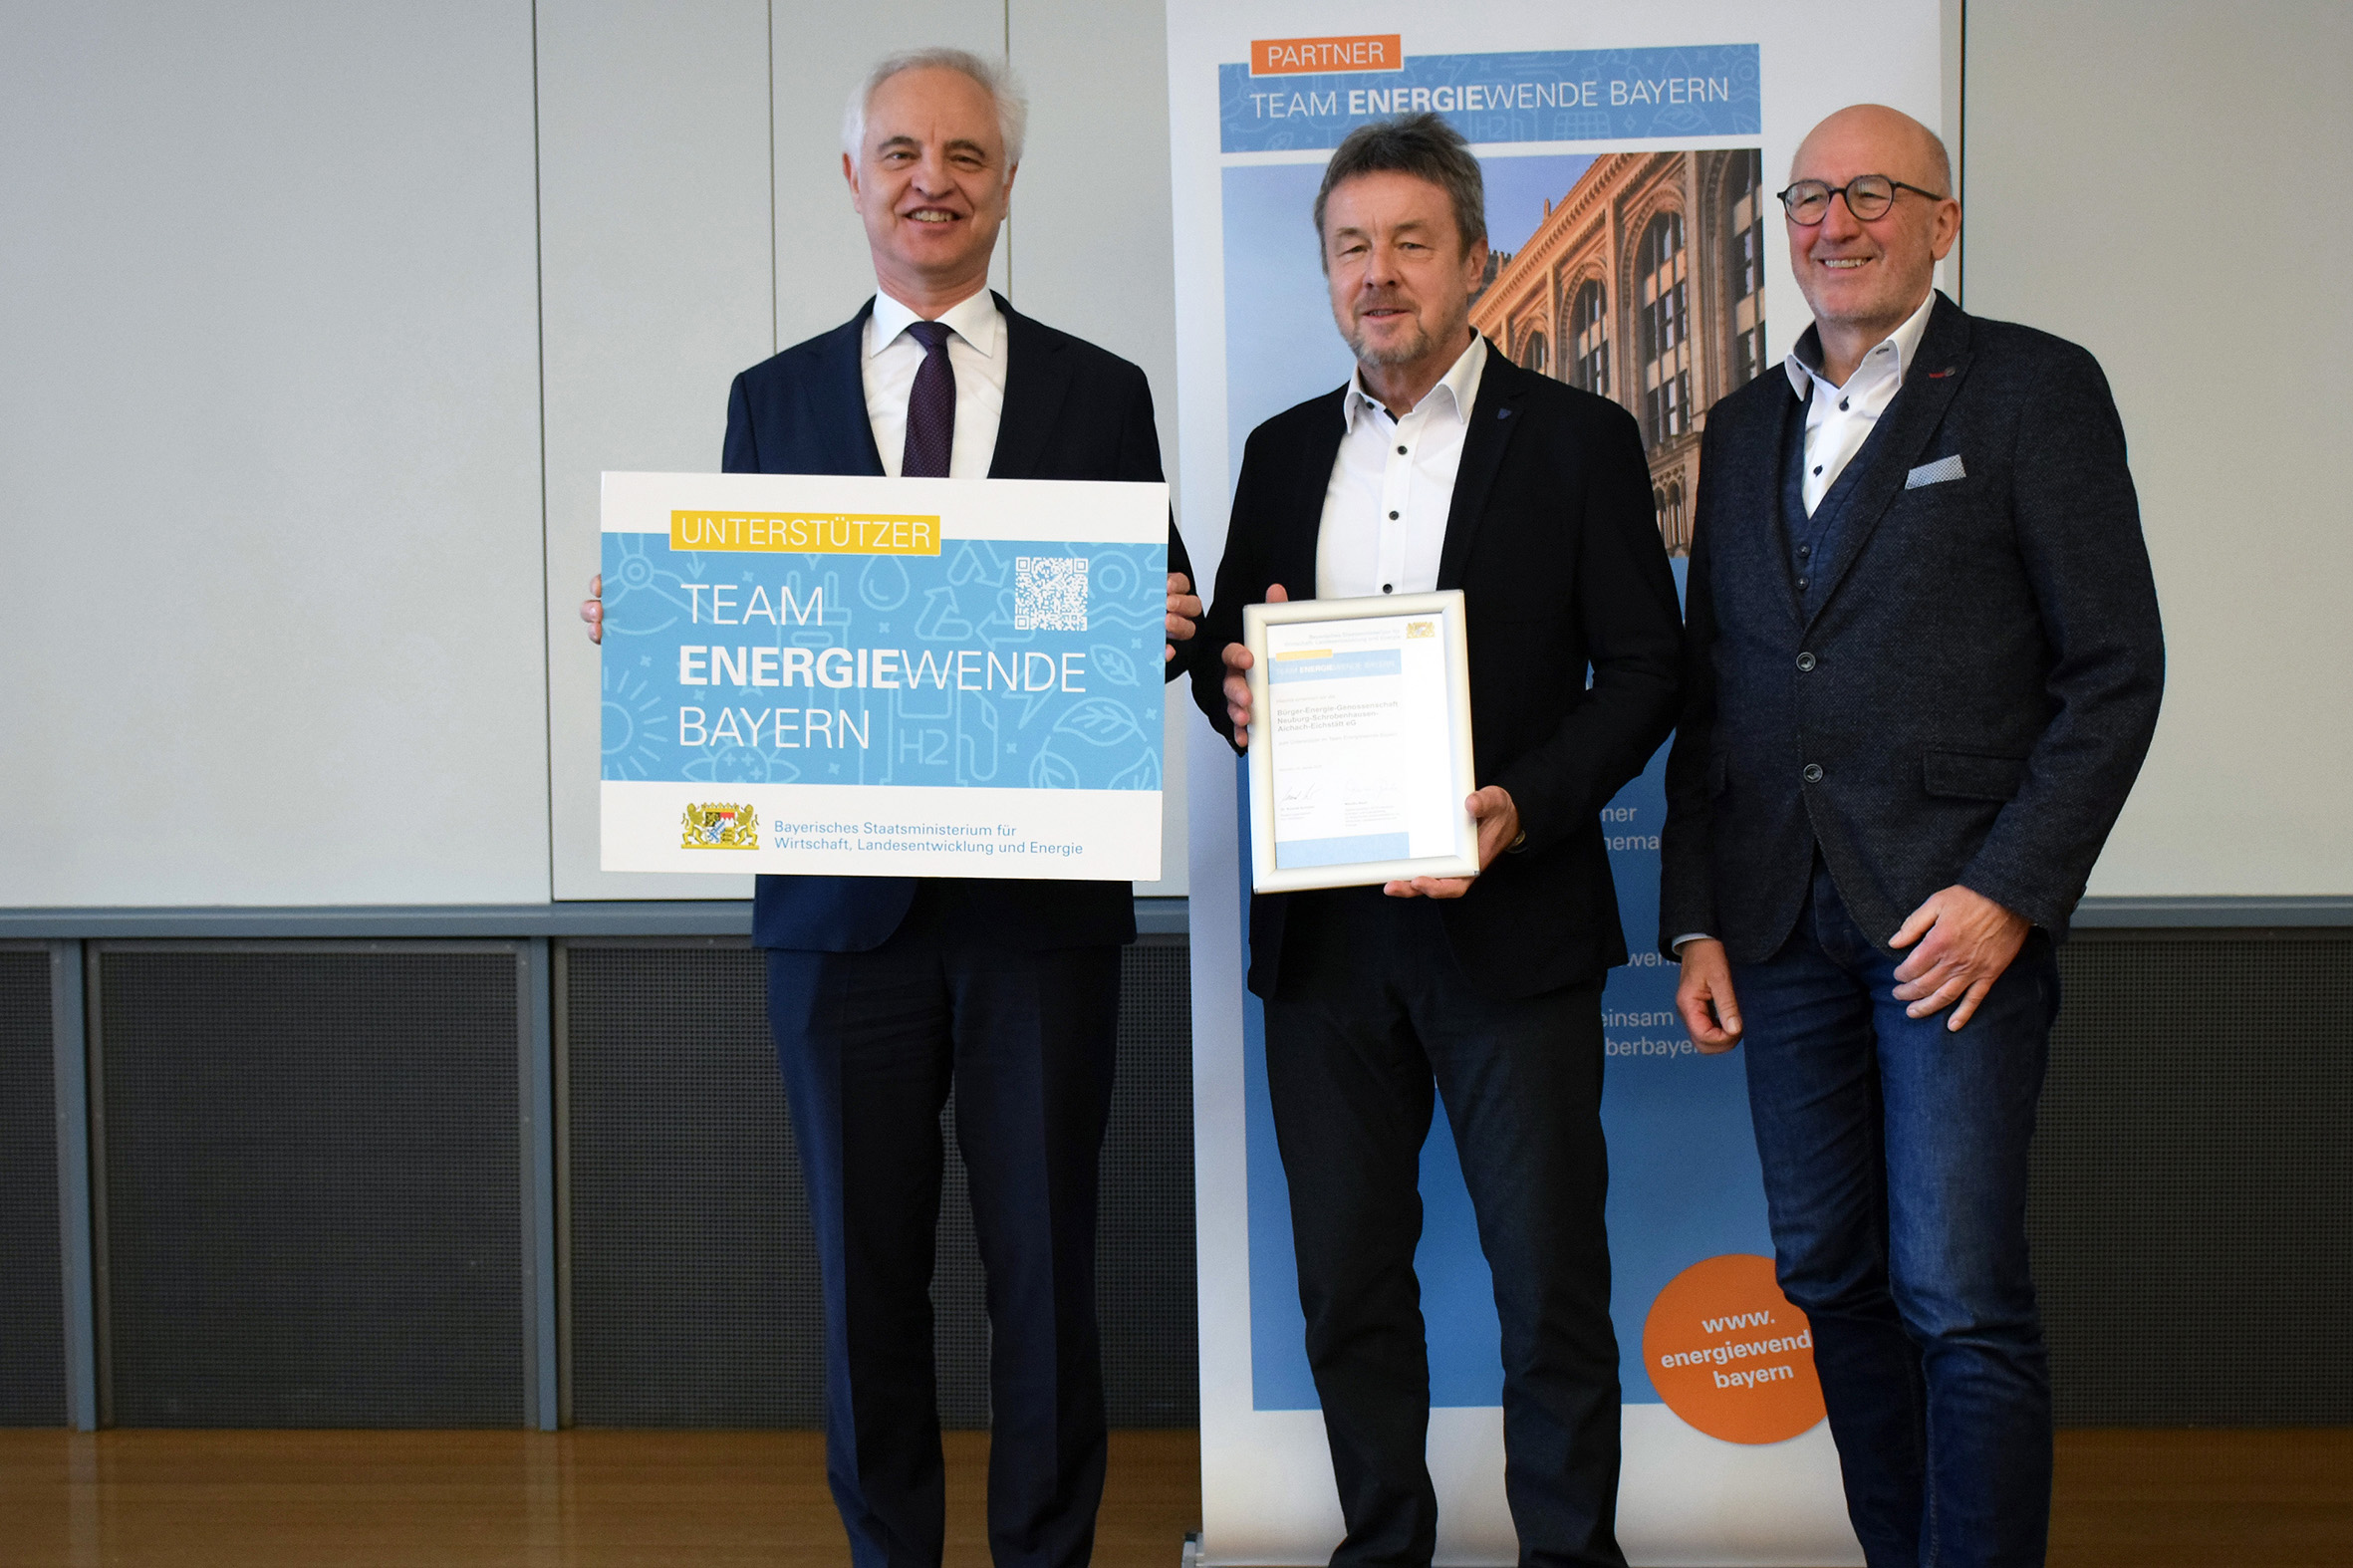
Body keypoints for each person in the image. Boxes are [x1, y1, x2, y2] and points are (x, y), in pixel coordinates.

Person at [583, 48, 1200, 1568]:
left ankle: (1043, 1553)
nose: (935, 180)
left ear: (1007, 183)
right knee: (864, 1281)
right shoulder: (771, 398)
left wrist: (1165, 627)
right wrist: (661, 626)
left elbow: (1154, 616)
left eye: (966, 155)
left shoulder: (1099, 392)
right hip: (835, 920)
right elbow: (750, 632)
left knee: (1045, 1275)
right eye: (905, 153)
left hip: (1038, 916)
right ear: (853, 179)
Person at [1660, 105, 2165, 1568]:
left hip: (1954, 928)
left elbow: (2113, 671)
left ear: (1943, 222)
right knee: (1827, 1274)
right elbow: (1714, 694)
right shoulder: (1742, 426)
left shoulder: (2033, 389)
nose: (1836, 222)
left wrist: (2009, 889)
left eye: (1873, 193)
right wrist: (1695, 916)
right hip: (1777, 923)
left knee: (1957, 1296)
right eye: (1809, 197)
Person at [1194, 115, 1682, 1568]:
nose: (1378, 273)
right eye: (1351, 246)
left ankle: (1568, 1554)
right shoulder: (1282, 450)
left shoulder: (1580, 440)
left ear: (1474, 258)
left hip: (1511, 924)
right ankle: (1382, 1547)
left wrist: (1518, 805)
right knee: (1346, 1284)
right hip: (1327, 944)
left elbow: (1646, 671)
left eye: (1411, 242)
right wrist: (1235, 688)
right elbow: (1235, 652)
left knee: (1549, 1285)